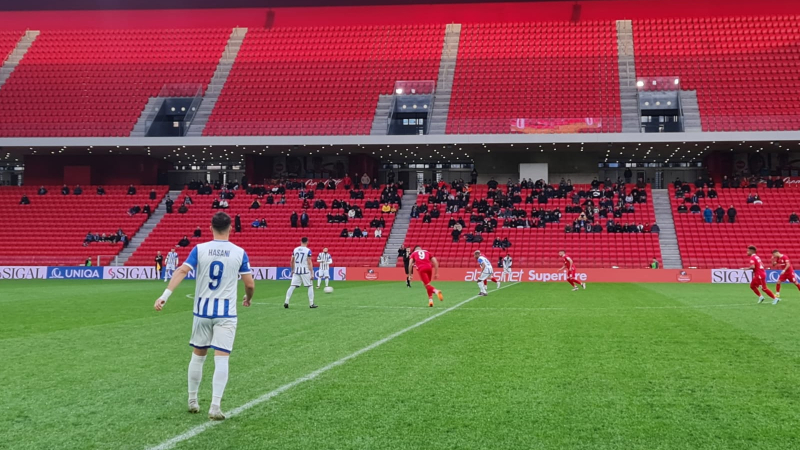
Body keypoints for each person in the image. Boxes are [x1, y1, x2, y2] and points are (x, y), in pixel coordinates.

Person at [154, 212, 254, 420]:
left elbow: (182, 270)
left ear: (210, 227)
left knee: (198, 356)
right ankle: (215, 406)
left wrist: (165, 296)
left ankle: (192, 400)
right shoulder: (239, 252)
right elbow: (249, 283)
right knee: (222, 358)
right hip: (225, 313)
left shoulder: (200, 249)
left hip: (202, 311)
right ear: (231, 228)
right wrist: (248, 297)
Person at [284, 237, 317, 309]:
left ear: (300, 241)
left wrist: (292, 270)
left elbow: (292, 261)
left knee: (292, 286)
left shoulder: (295, 249)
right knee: (310, 286)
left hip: (297, 270)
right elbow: (309, 262)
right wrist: (312, 273)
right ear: (307, 242)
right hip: (305, 270)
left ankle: (286, 301)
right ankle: (311, 303)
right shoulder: (308, 250)